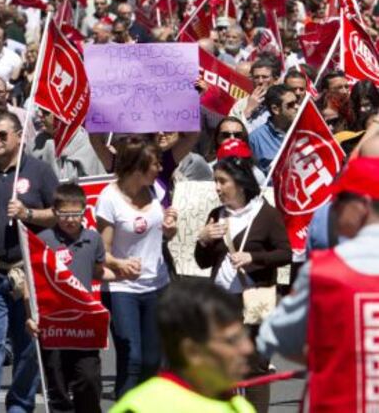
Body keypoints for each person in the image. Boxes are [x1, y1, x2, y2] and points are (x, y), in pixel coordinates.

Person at [257, 156, 379, 412]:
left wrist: (329, 357)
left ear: (363, 205)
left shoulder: (323, 271)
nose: (332, 210)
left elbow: (274, 337)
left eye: (339, 201)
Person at [0, 112, 58, 413]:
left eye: (1, 135)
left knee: (27, 345)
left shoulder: (40, 172)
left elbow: (60, 214)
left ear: (19, 136)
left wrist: (29, 215)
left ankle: (20, 404)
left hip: (28, 273)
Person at [195, 153, 291, 412]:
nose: (217, 187)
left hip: (256, 299)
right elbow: (202, 262)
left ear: (240, 183)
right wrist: (203, 239)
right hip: (221, 303)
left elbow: (285, 253)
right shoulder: (216, 214)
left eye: (222, 181)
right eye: (215, 181)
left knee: (255, 366)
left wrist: (253, 257)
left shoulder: (266, 214)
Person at [96, 136, 178, 398]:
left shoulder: (157, 191)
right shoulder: (109, 198)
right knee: (132, 358)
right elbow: (103, 252)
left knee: (153, 360)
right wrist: (120, 263)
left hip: (157, 286)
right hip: (122, 289)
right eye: (155, 164)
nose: (160, 168)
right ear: (138, 166)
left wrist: (170, 229)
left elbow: (162, 235)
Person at [111, 279, 255, 413]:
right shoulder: (140, 408)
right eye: (232, 340)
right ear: (192, 352)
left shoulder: (241, 407)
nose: (248, 348)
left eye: (244, 335)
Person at [26, 182, 108, 413]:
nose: (70, 220)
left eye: (76, 214)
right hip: (54, 324)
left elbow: (99, 270)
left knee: (89, 379)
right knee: (57, 387)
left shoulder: (93, 239)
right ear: (55, 212)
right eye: (64, 214)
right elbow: (29, 282)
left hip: (84, 324)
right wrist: (29, 317)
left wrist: (124, 273)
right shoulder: (44, 240)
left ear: (84, 211)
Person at [249, 85, 299, 176]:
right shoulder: (255, 139)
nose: (297, 107)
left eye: (297, 102)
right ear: (275, 109)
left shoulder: (305, 131)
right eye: (290, 105)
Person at [230, 57, 280, 132]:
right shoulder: (241, 104)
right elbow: (231, 130)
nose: (260, 81)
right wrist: (248, 110)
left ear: (275, 80)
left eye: (265, 77)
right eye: (256, 77)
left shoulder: (283, 102)